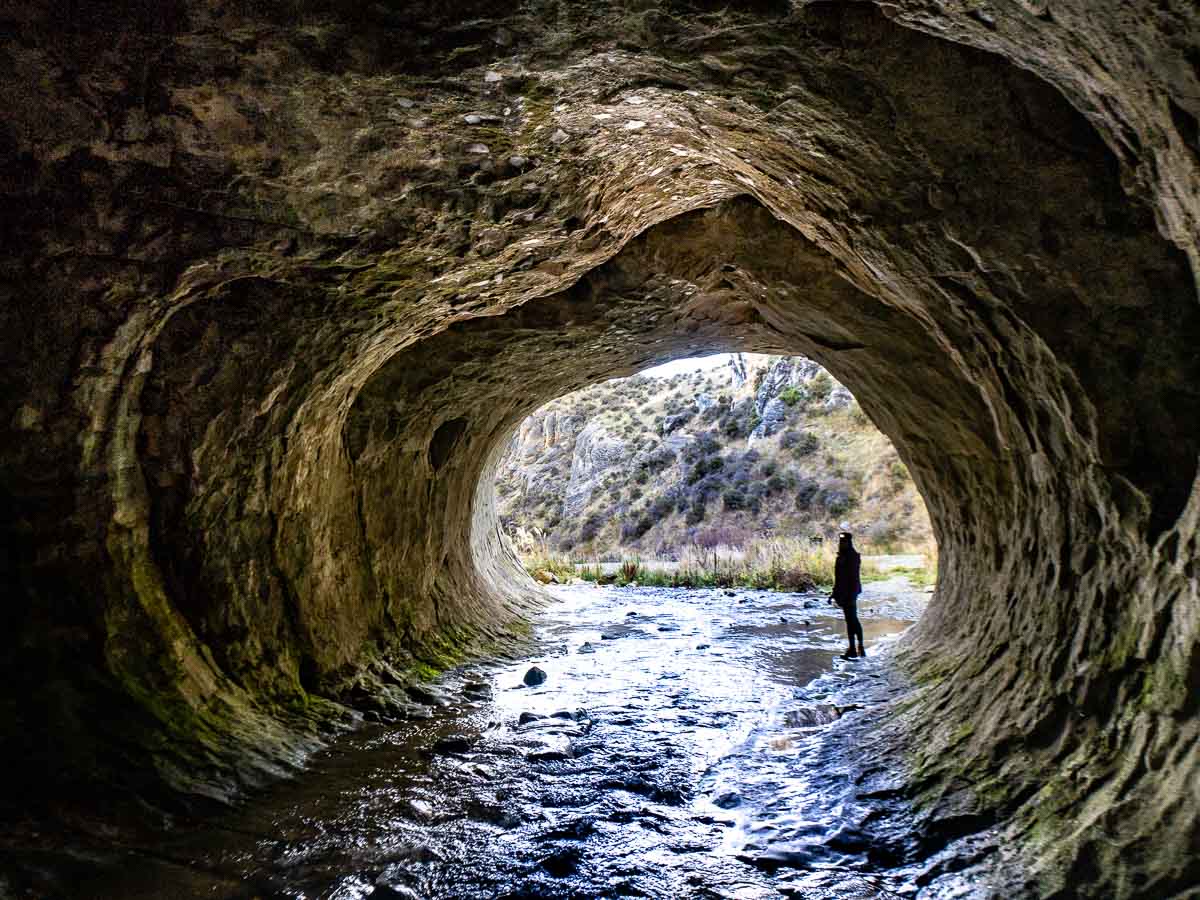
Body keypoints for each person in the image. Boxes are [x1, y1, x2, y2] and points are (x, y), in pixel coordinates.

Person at [831, 531, 865, 659]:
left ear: (849, 542)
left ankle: (858, 647)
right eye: (841, 542)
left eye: (844, 542)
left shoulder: (853, 557)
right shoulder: (841, 556)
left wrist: (851, 594)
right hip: (843, 593)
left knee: (852, 620)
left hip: (850, 592)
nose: (842, 544)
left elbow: (854, 577)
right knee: (850, 620)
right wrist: (834, 593)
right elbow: (838, 577)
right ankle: (854, 648)